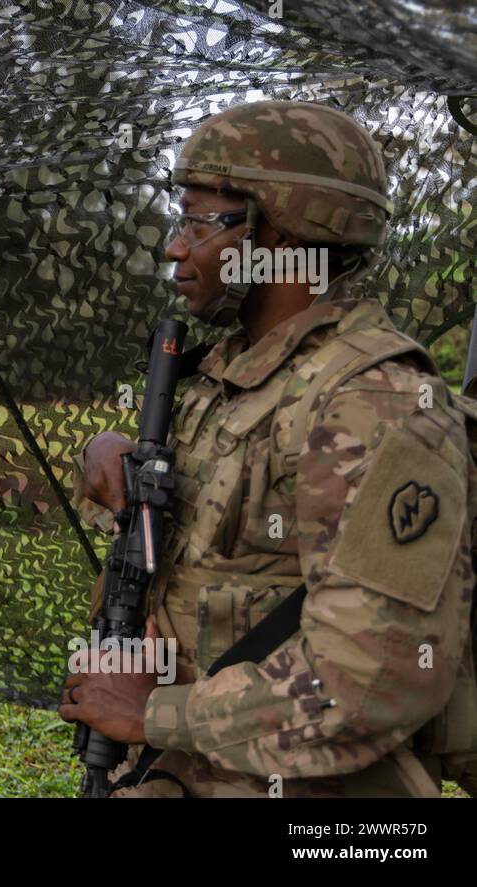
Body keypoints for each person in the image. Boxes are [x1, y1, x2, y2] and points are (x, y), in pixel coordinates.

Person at [61, 100, 477, 797]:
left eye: (198, 221)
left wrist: (153, 712)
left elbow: (371, 680)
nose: (175, 246)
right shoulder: (230, 374)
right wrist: (104, 457)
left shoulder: (373, 405)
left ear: (279, 235)